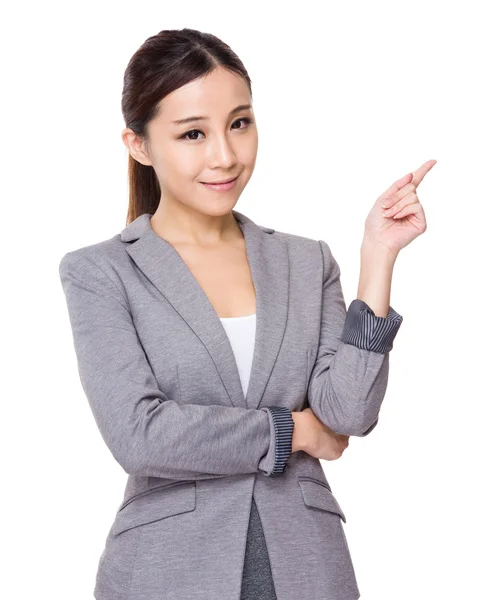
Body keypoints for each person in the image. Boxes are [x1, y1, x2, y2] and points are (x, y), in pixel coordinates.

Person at [59, 27, 435, 600]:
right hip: (168, 570)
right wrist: (294, 431)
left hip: (306, 563)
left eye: (240, 122)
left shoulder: (305, 262)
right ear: (139, 145)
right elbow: (141, 435)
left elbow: (349, 412)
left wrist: (377, 257)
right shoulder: (101, 272)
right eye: (192, 133)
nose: (226, 156)